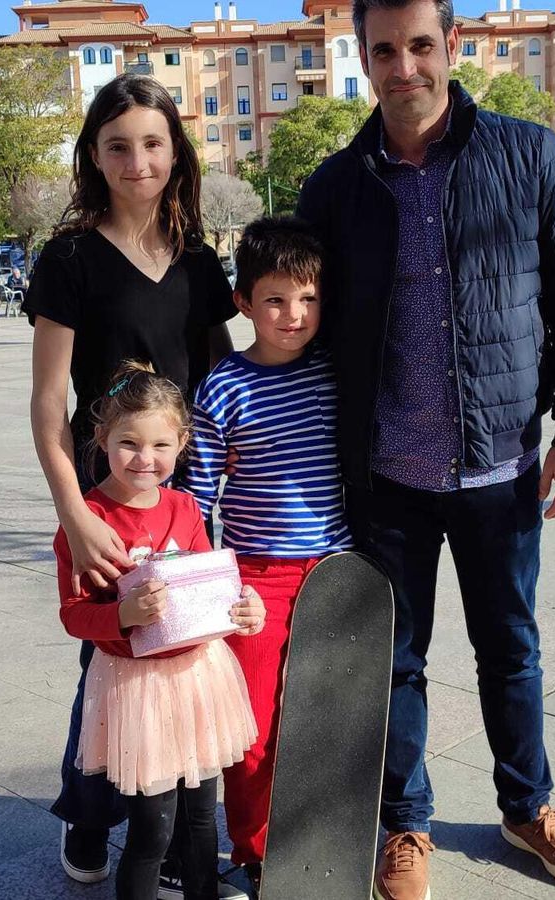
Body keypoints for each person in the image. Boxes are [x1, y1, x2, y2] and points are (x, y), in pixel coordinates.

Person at [295, 0, 555, 896]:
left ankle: (527, 807)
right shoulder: (334, 186)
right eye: (385, 49)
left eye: (421, 45)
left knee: (510, 648)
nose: (405, 67)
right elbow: (303, 323)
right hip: (387, 476)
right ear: (362, 56)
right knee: (396, 658)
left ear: (453, 47)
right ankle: (406, 822)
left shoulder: (528, 155)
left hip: (500, 467)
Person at [24, 73, 241, 898]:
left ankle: (189, 839)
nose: (137, 160)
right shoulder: (71, 257)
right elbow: (48, 405)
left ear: (175, 150)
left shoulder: (195, 259)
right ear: (94, 155)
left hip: (182, 496)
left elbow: (223, 377)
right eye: (118, 145)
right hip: (108, 494)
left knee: (183, 656)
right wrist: (74, 514)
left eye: (153, 142)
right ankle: (89, 815)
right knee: (109, 656)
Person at [54, 360, 266, 900]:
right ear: (101, 437)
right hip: (136, 688)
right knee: (153, 829)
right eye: (129, 443)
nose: (145, 460)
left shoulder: (185, 506)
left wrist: (244, 605)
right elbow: (74, 613)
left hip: (199, 677)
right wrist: (123, 617)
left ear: (183, 442)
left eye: (161, 446)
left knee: (199, 822)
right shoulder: (86, 517)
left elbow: (210, 585)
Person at [184, 216, 352, 892]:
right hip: (253, 582)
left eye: (308, 299)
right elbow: (197, 499)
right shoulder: (224, 386)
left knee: (326, 725)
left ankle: (323, 846)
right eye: (277, 299)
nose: (294, 315)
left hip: (337, 575)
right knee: (249, 731)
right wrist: (193, 587)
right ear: (243, 302)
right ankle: (254, 853)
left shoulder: (336, 371)